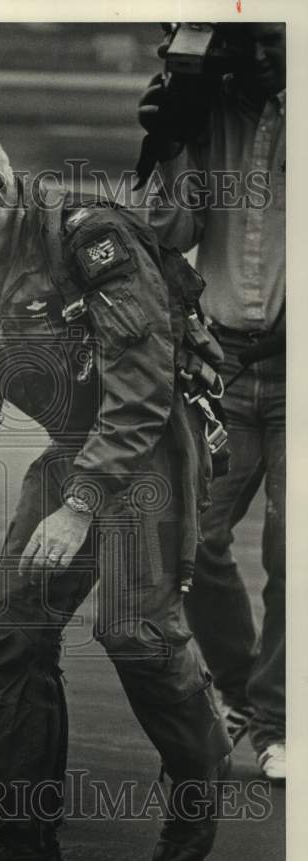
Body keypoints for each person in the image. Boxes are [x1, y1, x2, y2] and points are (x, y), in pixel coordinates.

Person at [0, 122, 232, 861]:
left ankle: (199, 768)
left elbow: (142, 389)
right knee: (13, 634)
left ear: (0, 192)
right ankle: (24, 849)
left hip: (147, 446)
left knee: (134, 633)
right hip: (74, 444)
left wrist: (78, 506)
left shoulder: (92, 240)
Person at [141, 22, 286, 782]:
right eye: (242, 43)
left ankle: (277, 717)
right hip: (221, 361)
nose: (257, 57)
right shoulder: (206, 109)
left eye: (273, 39)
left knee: (291, 550)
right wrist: (169, 138)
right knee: (193, 541)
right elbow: (171, 228)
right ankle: (239, 695)